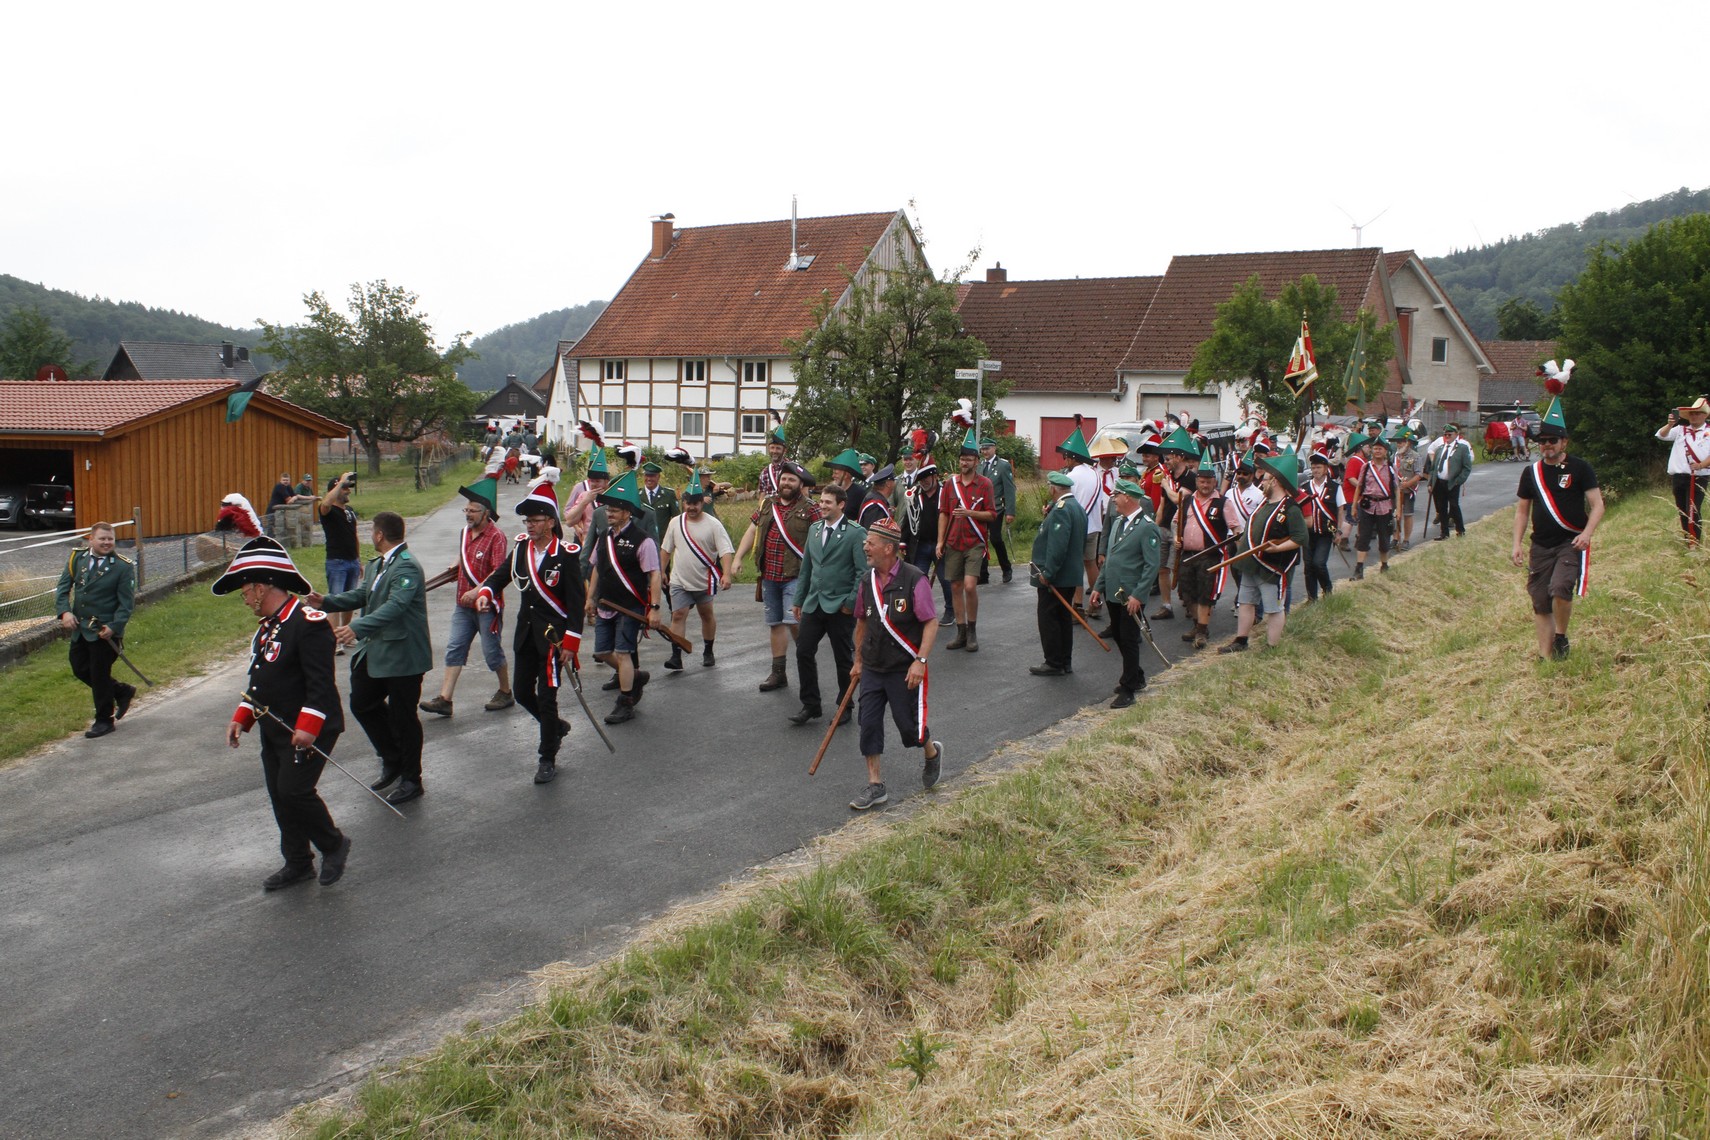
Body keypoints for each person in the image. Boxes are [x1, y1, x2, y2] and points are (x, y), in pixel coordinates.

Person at [216, 536, 351, 890]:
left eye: (246, 592)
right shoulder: (268, 627)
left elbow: (320, 685)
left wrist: (307, 727)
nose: (245, 599)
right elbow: (261, 680)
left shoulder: (309, 623)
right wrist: (242, 717)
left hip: (308, 727)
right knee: (279, 794)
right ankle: (297, 861)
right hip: (275, 727)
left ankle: (334, 844)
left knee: (294, 791)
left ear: (261, 588)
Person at [309, 511, 432, 806]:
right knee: (362, 703)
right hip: (377, 650)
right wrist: (326, 601)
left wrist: (357, 627)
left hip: (403, 655)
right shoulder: (378, 564)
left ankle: (412, 779)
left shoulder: (407, 566)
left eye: (372, 531)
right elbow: (362, 595)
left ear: (379, 534)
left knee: (404, 717)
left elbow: (396, 606)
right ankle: (393, 758)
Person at [476, 469, 585, 782]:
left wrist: (571, 642)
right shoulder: (522, 548)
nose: (529, 526)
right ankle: (556, 728)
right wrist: (485, 592)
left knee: (548, 699)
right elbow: (501, 575)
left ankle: (547, 756)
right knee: (523, 692)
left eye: (535, 520)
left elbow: (576, 603)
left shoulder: (565, 555)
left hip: (553, 639)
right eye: (527, 521)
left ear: (550, 522)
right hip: (526, 634)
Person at [847, 519, 943, 810]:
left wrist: (920, 661)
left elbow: (930, 623)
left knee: (909, 728)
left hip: (904, 668)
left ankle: (931, 752)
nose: (865, 546)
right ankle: (875, 785)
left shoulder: (915, 579)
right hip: (873, 667)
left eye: (870, 543)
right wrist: (858, 660)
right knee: (868, 724)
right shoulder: (867, 581)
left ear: (888, 548)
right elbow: (861, 622)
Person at [1513, 399, 1604, 661]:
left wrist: (1586, 534)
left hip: (1570, 542)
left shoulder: (1580, 468)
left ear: (1564, 442)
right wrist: (1516, 544)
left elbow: (1597, 505)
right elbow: (1522, 511)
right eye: (1542, 441)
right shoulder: (1531, 473)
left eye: (1552, 440)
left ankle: (1561, 637)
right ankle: (1546, 657)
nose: (1546, 445)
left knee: (1561, 588)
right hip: (1541, 545)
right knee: (1540, 600)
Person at [420, 462, 513, 717]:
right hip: (463, 605)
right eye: (466, 509)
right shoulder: (464, 532)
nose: (468, 514)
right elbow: (464, 554)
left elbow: (498, 573)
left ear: (486, 513)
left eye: (473, 511)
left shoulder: (497, 537)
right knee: (455, 647)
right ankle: (445, 699)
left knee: (491, 652)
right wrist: (455, 565)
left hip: (486, 605)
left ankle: (505, 691)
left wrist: (478, 590)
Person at [584, 470, 664, 725]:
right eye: (608, 509)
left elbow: (654, 575)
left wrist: (654, 608)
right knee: (602, 653)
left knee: (623, 653)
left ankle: (626, 700)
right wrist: (590, 598)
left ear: (628, 513)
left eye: (615, 510)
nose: (609, 514)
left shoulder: (643, 541)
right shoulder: (604, 537)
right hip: (606, 604)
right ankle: (635, 676)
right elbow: (597, 568)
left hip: (630, 606)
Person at [734, 463, 820, 693]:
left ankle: (806, 663)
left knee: (794, 621)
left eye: (792, 480)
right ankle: (778, 673)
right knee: (775, 623)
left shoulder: (811, 508)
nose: (786, 483)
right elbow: (752, 530)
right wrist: (738, 557)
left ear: (800, 484)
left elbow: (822, 539)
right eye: (784, 479)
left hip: (796, 575)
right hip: (769, 574)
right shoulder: (767, 504)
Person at [789, 483, 867, 726]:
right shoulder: (814, 529)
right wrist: (798, 600)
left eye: (827, 502)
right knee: (803, 651)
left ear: (841, 505)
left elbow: (862, 572)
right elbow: (807, 568)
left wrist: (850, 603)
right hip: (814, 603)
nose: (821, 506)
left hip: (840, 606)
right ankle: (810, 704)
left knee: (843, 659)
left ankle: (845, 706)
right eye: (821, 501)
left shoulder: (855, 533)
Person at [1219, 448, 1307, 653]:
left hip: (1271, 567)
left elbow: (1300, 538)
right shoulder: (1264, 504)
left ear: (1275, 481)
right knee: (1245, 602)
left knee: (1273, 608)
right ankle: (1241, 641)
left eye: (1266, 479)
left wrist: (1278, 548)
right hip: (1251, 565)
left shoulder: (1291, 508)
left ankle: (1271, 647)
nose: (1261, 483)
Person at [54, 521, 137, 738]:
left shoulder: (123, 567)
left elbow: (126, 604)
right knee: (79, 668)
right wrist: (64, 612)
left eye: (110, 539)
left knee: (99, 675)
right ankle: (121, 690)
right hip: (81, 629)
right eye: (102, 539)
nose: (107, 543)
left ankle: (104, 720)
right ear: (91, 540)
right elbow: (63, 589)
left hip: (104, 632)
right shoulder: (76, 558)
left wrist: (114, 627)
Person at [1088, 479, 1162, 708]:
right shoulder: (1119, 523)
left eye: (1116, 495)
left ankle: (1128, 688)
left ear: (1127, 497)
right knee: (1119, 635)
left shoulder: (1147, 527)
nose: (1113, 500)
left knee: (1129, 639)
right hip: (1113, 591)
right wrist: (1098, 587)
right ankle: (1136, 675)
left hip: (1130, 594)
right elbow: (1110, 560)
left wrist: (1138, 595)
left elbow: (1152, 566)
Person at [659, 468, 734, 669]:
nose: (692, 507)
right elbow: (666, 550)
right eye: (688, 503)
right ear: (683, 503)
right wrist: (661, 572)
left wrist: (726, 574)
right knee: (678, 614)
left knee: (706, 614)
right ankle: (676, 656)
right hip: (679, 580)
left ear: (702, 503)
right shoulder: (675, 523)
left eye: (696, 503)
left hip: (704, 580)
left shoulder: (713, 524)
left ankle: (708, 650)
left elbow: (725, 551)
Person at [937, 430, 998, 653]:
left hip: (974, 542)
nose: (965, 463)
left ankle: (972, 630)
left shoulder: (985, 484)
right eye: (962, 459)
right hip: (953, 541)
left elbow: (992, 515)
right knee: (955, 586)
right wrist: (940, 541)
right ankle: (961, 631)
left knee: (970, 586)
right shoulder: (949, 484)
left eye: (969, 459)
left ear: (976, 462)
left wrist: (970, 513)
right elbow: (944, 513)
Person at [1029, 470, 1089, 677]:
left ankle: (1054, 662)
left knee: (1049, 618)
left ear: (1054, 489)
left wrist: (1049, 572)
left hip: (1058, 576)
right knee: (1063, 618)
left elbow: (1058, 546)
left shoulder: (1062, 510)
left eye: (1049, 487)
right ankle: (1065, 661)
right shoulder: (1076, 507)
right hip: (1070, 575)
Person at [1173, 449, 1229, 649]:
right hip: (1188, 555)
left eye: (1209, 482)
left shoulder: (1223, 503)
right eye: (1202, 481)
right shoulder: (1187, 501)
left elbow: (1235, 528)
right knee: (1188, 593)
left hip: (1210, 556)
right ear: (1197, 481)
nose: (1205, 485)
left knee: (1205, 594)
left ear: (1214, 482)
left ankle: (1203, 631)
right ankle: (1197, 626)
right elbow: (1176, 522)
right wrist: (1176, 539)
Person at [1150, 427, 1199, 620]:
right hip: (1165, 527)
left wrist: (1164, 485)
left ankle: (1189, 601)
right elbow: (1163, 504)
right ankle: (1166, 605)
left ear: (1179, 457)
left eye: (1169, 458)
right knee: (1162, 568)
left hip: (1182, 528)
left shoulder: (1191, 478)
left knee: (1183, 569)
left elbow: (1180, 499)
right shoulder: (1168, 478)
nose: (1166, 462)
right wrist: (1156, 525)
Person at [900, 462, 953, 623]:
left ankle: (950, 610)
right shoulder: (914, 495)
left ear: (934, 476)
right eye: (920, 479)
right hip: (920, 544)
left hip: (941, 544)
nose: (923, 482)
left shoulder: (946, 492)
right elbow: (908, 518)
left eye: (926, 478)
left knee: (945, 579)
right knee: (917, 579)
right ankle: (919, 611)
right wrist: (903, 542)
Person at [1058, 423, 1103, 614]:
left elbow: (1066, 502)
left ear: (1072, 457)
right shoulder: (1095, 474)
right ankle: (1096, 602)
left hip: (1077, 527)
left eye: (1066, 457)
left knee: (1076, 566)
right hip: (1093, 526)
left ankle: (1077, 606)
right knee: (1090, 563)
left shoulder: (1071, 477)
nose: (1065, 460)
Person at [1657, 397, 1710, 546]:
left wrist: (1701, 465)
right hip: (1679, 476)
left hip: (1699, 476)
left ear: (1705, 415)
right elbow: (1661, 435)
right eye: (1692, 414)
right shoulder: (1680, 430)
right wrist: (1670, 424)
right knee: (1682, 510)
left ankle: (1695, 543)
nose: (1694, 416)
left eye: (1697, 413)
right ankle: (1688, 539)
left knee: (1693, 509)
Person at [317, 472, 362, 646]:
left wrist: (358, 560)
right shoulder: (328, 511)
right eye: (344, 488)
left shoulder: (349, 511)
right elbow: (325, 503)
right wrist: (341, 481)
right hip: (337, 562)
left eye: (348, 488)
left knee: (350, 601)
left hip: (352, 561)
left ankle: (345, 636)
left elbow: (354, 535)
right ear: (334, 490)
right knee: (335, 602)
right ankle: (334, 640)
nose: (348, 491)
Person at [1351, 437, 1399, 578]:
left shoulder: (1391, 468)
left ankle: (1384, 565)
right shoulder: (1366, 467)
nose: (1377, 451)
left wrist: (1399, 510)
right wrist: (1354, 506)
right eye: (1375, 448)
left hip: (1385, 507)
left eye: (1380, 449)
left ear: (1385, 451)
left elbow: (1397, 489)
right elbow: (1359, 486)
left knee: (1384, 537)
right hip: (1367, 506)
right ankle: (1359, 568)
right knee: (1363, 537)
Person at [1301, 450, 1341, 602]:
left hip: (1325, 533)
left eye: (1318, 467)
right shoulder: (1304, 487)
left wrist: (1339, 532)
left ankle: (1327, 589)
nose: (1315, 470)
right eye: (1313, 467)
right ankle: (1312, 598)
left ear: (1325, 469)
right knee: (1308, 566)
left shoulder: (1335, 487)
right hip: (1308, 533)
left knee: (1319, 563)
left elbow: (1340, 509)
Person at [977, 437, 1016, 585]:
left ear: (994, 448)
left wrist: (1010, 512)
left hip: (996, 508)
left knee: (995, 539)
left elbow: (1009, 489)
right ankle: (982, 573)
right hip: (981, 509)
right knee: (980, 539)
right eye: (983, 449)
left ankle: (1006, 568)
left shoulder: (1003, 466)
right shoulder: (980, 465)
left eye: (987, 448)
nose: (985, 452)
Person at [1428, 424, 1472, 539]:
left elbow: (1467, 467)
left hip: (1453, 482)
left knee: (1454, 506)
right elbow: (1433, 468)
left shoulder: (1462, 448)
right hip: (1439, 482)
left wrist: (1459, 480)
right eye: (1445, 434)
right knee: (1441, 508)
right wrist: (1430, 483)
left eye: (1449, 434)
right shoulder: (1440, 449)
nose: (1447, 436)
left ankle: (1460, 530)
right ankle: (1444, 533)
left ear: (1456, 435)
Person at [1391, 427, 1425, 549]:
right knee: (1395, 514)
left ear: (1408, 442)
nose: (1399, 444)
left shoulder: (1415, 456)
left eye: (1401, 442)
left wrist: (1408, 484)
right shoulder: (1394, 456)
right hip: (1395, 491)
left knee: (1408, 514)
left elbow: (1419, 474)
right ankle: (1395, 537)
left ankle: (1406, 539)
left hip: (1408, 490)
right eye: (1397, 442)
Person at [826, 448, 870, 524]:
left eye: (836, 473)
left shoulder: (860, 493)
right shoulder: (831, 491)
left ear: (846, 475)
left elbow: (863, 519)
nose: (833, 476)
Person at [638, 462, 679, 539]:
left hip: (662, 541)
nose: (649, 479)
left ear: (658, 477)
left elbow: (676, 519)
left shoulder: (668, 495)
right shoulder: (637, 495)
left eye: (652, 476)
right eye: (647, 475)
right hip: (641, 540)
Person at [860, 465, 898, 530]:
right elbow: (872, 532)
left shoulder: (875, 497)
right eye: (893, 480)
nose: (895, 483)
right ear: (888, 483)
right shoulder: (875, 505)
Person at [757, 423, 789, 498]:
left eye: (778, 448)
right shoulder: (765, 472)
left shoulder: (793, 469)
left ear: (784, 451)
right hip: (771, 505)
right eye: (772, 448)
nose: (774, 451)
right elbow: (762, 495)